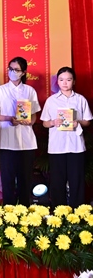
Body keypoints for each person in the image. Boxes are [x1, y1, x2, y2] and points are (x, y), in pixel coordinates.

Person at [0, 57, 40, 206]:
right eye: (10, 69)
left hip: (26, 143)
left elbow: (34, 115)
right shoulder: (0, 90)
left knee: (25, 182)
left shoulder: (29, 91)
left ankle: (25, 212)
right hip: (7, 143)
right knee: (8, 182)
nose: (12, 72)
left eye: (16, 70)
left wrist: (29, 121)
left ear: (23, 72)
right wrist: (8, 118)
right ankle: (9, 214)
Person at [40, 67, 92, 208]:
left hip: (76, 147)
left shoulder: (80, 100)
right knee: (57, 182)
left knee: (77, 182)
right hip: (57, 147)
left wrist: (78, 122)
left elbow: (87, 121)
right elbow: (44, 122)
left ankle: (79, 213)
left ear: (73, 81)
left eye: (68, 80)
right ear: (57, 82)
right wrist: (53, 122)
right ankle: (60, 212)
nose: (65, 83)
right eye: (61, 80)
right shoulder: (51, 101)